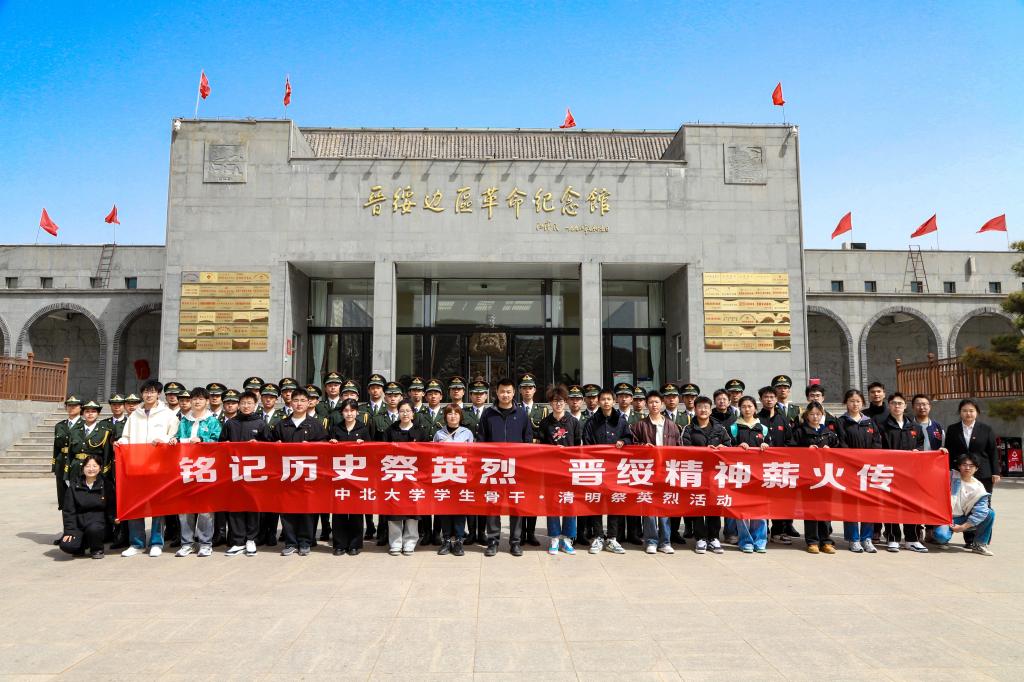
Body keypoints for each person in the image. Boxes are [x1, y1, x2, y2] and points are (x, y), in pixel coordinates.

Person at [117, 379, 179, 557]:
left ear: (158, 394)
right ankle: (136, 543)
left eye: (152, 391)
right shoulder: (134, 415)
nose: (149, 395)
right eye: (146, 392)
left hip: (158, 467)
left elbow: (174, 437)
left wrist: (163, 440)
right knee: (136, 505)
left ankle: (156, 542)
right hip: (136, 466)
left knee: (157, 507)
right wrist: (121, 442)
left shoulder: (168, 414)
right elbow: (126, 437)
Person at [266, 388, 328, 556]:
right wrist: (276, 446)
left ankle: (306, 541)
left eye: (302, 400)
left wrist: (313, 447)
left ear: (308, 403)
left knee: (307, 509)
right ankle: (290, 542)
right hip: (287, 475)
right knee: (287, 509)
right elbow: (270, 448)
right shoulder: (282, 425)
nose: (299, 404)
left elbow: (325, 449)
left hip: (308, 475)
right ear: (290, 403)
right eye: (296, 400)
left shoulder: (316, 425)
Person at [479, 378, 535, 557]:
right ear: (496, 392)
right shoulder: (488, 414)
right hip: (493, 467)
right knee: (493, 504)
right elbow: (481, 440)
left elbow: (528, 439)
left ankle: (515, 542)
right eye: (502, 391)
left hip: (515, 467)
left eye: (508, 392)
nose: (505, 395)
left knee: (516, 504)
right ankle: (493, 541)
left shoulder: (522, 414)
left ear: (514, 393)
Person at [170, 387, 222, 557]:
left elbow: (218, 441)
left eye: (201, 399)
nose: (197, 402)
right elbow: (178, 437)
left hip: (205, 468)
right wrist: (173, 440)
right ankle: (187, 543)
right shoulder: (184, 421)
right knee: (185, 509)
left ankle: (205, 543)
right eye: (194, 399)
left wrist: (202, 440)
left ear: (207, 401)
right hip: (186, 468)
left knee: (205, 509)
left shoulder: (212, 421)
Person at [581, 387, 633, 554]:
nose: (605, 402)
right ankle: (598, 536)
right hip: (597, 468)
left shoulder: (621, 421)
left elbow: (629, 437)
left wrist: (623, 441)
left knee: (614, 502)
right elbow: (587, 443)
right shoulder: (591, 421)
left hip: (615, 469)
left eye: (609, 399)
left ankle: (612, 538)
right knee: (597, 502)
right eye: (602, 399)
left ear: (614, 401)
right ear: (598, 401)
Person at [942, 398, 999, 547]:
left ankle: (980, 541)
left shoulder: (986, 429)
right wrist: (947, 471)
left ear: (977, 413)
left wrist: (996, 472)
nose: (968, 413)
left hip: (983, 473)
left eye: (971, 411)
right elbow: (949, 451)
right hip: (959, 472)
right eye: (965, 411)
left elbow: (993, 451)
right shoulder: (953, 429)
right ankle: (968, 540)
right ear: (960, 412)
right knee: (962, 504)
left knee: (983, 506)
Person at [681, 396, 731, 554]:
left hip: (716, 473)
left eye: (706, 407)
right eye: (700, 407)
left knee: (714, 505)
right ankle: (700, 538)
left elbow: (729, 447)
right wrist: (705, 451)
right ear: (695, 409)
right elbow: (684, 449)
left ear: (711, 409)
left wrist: (723, 448)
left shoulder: (720, 429)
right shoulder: (688, 429)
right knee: (698, 504)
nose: (703, 410)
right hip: (697, 473)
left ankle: (714, 537)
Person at [878, 392, 927, 553]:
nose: (897, 406)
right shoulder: (882, 427)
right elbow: (878, 448)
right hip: (890, 473)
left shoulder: (915, 427)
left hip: (911, 474)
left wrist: (917, 450)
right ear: (889, 406)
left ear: (905, 406)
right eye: (893, 403)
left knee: (911, 505)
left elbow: (920, 445)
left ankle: (912, 539)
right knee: (891, 506)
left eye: (900, 403)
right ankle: (893, 538)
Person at [630, 390, 678, 554]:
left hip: (666, 470)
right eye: (650, 402)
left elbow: (679, 448)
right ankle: (651, 540)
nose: (654, 405)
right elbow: (632, 446)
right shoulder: (640, 425)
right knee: (649, 507)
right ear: (646, 404)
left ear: (662, 403)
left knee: (664, 507)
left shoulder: (671, 425)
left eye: (657, 402)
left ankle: (665, 541)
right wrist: (643, 447)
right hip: (647, 471)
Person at [220, 390, 267, 556]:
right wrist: (225, 445)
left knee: (253, 506)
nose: (246, 406)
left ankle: (251, 539)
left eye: (249, 403)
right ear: (239, 405)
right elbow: (220, 445)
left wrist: (259, 444)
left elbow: (270, 447)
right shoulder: (230, 423)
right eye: (243, 403)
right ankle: (238, 541)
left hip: (254, 472)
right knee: (235, 506)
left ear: (255, 405)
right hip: (234, 471)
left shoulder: (260, 424)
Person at [536, 386, 581, 555]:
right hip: (551, 470)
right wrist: (553, 451)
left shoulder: (573, 422)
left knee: (570, 503)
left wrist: (567, 452)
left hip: (569, 470)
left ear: (566, 402)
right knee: (553, 504)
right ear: (550, 403)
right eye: (555, 401)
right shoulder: (545, 422)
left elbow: (578, 446)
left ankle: (568, 539)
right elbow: (540, 446)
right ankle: (554, 537)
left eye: (561, 401)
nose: (558, 404)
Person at [837, 389, 883, 553]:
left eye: (858, 401)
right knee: (851, 505)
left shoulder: (869, 422)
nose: (855, 404)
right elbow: (841, 442)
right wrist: (853, 460)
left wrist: (869, 459)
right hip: (849, 469)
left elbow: (877, 442)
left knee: (868, 504)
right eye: (851, 401)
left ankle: (866, 538)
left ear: (862, 403)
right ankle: (853, 539)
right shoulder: (841, 421)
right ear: (846, 403)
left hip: (868, 470)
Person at [793, 402, 840, 554]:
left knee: (825, 509)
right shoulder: (800, 431)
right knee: (811, 509)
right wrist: (805, 450)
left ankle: (826, 541)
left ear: (822, 415)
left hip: (826, 476)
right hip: (808, 476)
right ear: (807, 415)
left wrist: (830, 449)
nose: (815, 417)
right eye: (812, 414)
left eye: (818, 414)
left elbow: (840, 449)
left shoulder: (828, 432)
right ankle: (812, 541)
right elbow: (791, 449)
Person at [385, 400, 428, 555]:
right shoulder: (390, 430)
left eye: (408, 411)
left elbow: (426, 455)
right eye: (402, 411)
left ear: (413, 413)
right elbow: (383, 451)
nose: (405, 414)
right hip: (394, 476)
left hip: (413, 478)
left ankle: (410, 542)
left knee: (412, 511)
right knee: (394, 511)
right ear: (398, 413)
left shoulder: (420, 431)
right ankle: (395, 543)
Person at [328, 399, 370, 556]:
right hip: (339, 476)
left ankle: (354, 544)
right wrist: (331, 443)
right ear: (342, 413)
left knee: (356, 511)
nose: (349, 413)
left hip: (357, 476)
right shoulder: (335, 428)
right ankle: (339, 544)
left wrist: (364, 445)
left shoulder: (363, 429)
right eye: (346, 410)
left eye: (352, 410)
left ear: (357, 412)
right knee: (338, 511)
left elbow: (371, 452)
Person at [730, 396, 770, 553]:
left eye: (750, 406)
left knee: (760, 508)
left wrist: (766, 445)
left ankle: (760, 540)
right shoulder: (734, 427)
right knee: (742, 510)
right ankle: (745, 541)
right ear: (739, 408)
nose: (747, 409)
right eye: (744, 406)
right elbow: (728, 447)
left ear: (755, 408)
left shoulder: (763, 428)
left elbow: (773, 448)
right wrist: (737, 446)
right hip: (740, 474)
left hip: (760, 474)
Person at [758, 386, 798, 544]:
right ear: (761, 399)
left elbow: (790, 441)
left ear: (776, 399)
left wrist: (781, 453)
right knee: (762, 500)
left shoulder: (783, 419)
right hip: (760, 467)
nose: (769, 400)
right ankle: (762, 531)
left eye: (772, 397)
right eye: (766, 397)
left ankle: (778, 532)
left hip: (780, 467)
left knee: (779, 501)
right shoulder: (756, 418)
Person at [432, 403, 473, 556]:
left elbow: (472, 455)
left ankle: (459, 540)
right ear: (445, 416)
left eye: (456, 413)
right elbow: (433, 455)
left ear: (460, 416)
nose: (453, 416)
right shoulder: (438, 434)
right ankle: (447, 539)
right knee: (445, 509)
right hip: (444, 476)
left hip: (461, 476)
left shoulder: (467, 433)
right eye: (450, 413)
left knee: (460, 509)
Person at [933, 454, 995, 556]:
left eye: (971, 466)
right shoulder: (950, 476)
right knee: (941, 537)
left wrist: (963, 527)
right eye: (964, 465)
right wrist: (939, 454)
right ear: (959, 466)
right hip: (945, 517)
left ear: (976, 469)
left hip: (964, 518)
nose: (967, 468)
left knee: (989, 513)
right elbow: (933, 470)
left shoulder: (979, 487)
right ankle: (943, 539)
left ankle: (979, 545)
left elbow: (981, 511)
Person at [59, 454, 111, 559]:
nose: (91, 469)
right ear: (83, 468)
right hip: (79, 522)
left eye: (94, 466)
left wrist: (114, 519)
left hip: (98, 522)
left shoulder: (106, 485)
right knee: (67, 545)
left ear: (100, 468)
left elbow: (112, 505)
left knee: (93, 530)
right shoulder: (74, 485)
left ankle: (97, 549)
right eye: (88, 466)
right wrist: (69, 531)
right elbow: (68, 511)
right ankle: (82, 544)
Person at [516, 373, 546, 546]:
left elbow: (544, 433)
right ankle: (520, 533)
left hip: (535, 458)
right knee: (520, 495)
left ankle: (531, 533)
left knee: (533, 496)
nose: (527, 391)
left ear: (534, 390)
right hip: (519, 458)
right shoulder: (515, 407)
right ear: (520, 390)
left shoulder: (542, 410)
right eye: (524, 388)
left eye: (530, 388)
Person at [51, 395, 82, 544]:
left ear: (80, 408)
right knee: (64, 501)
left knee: (79, 499)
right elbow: (56, 448)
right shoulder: (60, 425)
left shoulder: (84, 425)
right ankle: (67, 532)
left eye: (75, 405)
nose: (71, 408)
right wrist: (54, 466)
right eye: (69, 405)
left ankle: (79, 533)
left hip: (76, 465)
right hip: (61, 465)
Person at [66, 400, 113, 487]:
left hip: (94, 469)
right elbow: (69, 454)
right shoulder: (74, 431)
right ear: (83, 413)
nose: (90, 414)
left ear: (98, 414)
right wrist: (66, 474)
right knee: (75, 493)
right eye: (87, 411)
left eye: (93, 411)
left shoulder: (104, 432)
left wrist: (104, 474)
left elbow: (106, 456)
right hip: (76, 469)